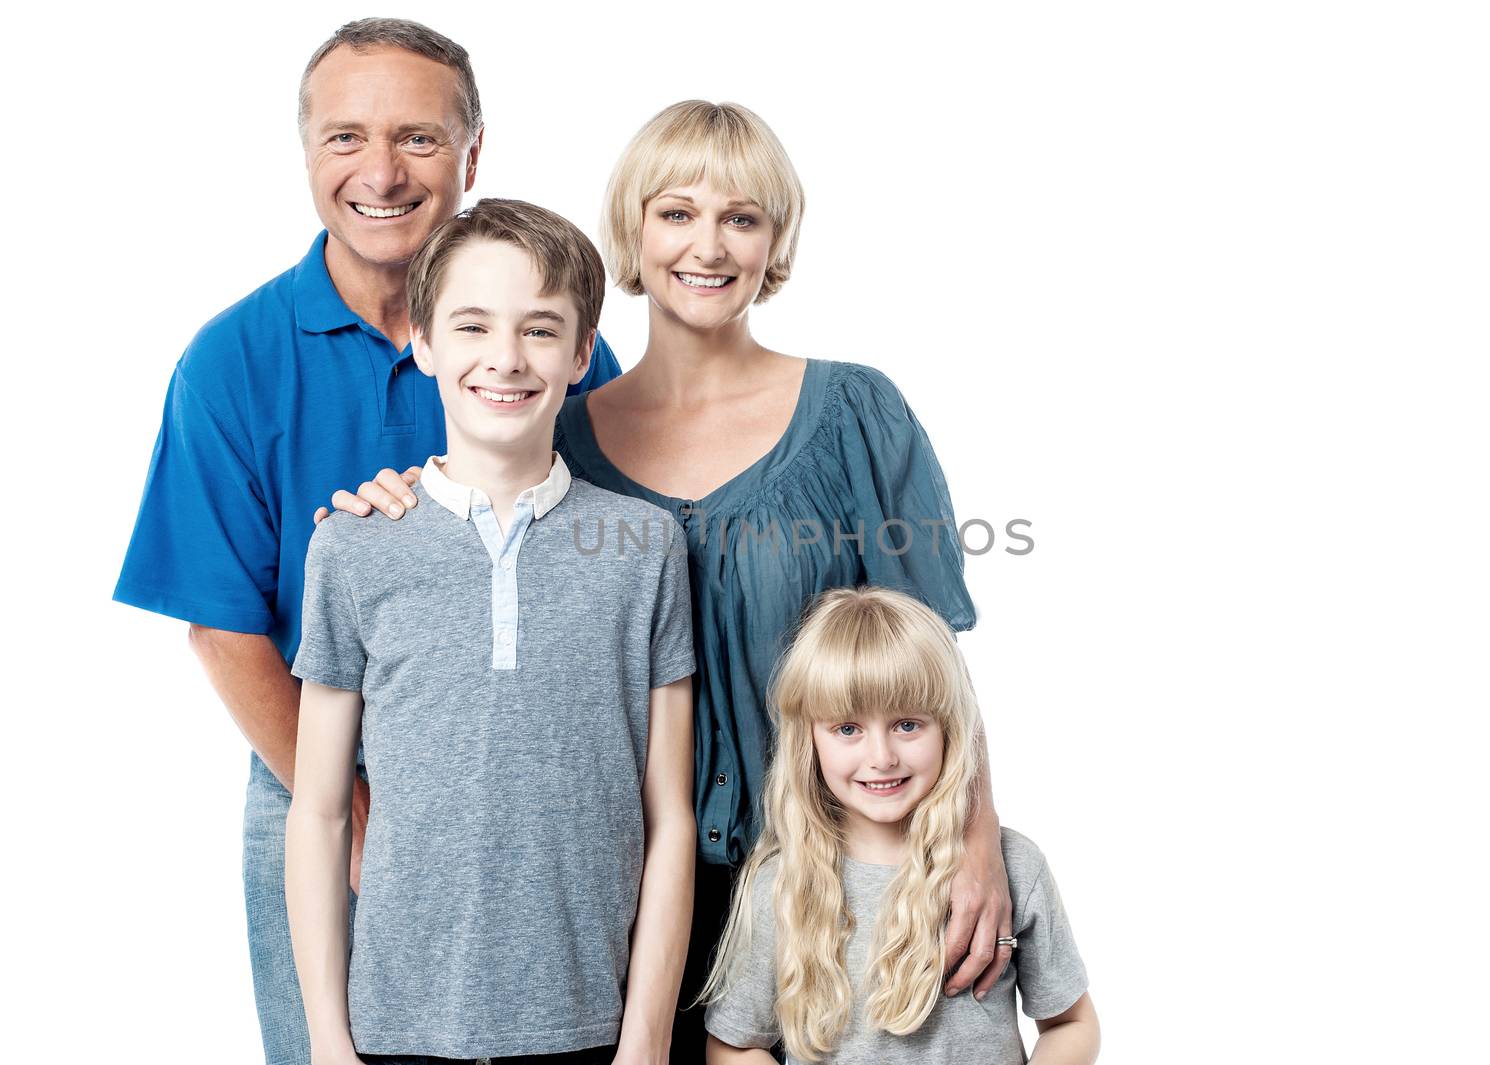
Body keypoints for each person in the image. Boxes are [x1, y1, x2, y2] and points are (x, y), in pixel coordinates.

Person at [330, 100, 1014, 1064]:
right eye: (676, 212)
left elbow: (933, 661)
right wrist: (390, 497)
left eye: (742, 216)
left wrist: (978, 841)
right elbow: (466, 511)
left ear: (775, 240)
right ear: (634, 232)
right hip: (616, 899)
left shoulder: (858, 413)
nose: (709, 244)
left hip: (824, 876)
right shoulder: (552, 424)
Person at [110, 19, 621, 1065]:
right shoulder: (233, 360)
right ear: (306, 153)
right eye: (345, 138)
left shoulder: (552, 343)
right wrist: (348, 809)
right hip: (315, 766)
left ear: (474, 153)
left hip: (526, 770)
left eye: (419, 140)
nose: (380, 172)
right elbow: (222, 628)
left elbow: (609, 548)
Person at [286, 198, 695, 1064]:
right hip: (394, 1030)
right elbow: (320, 812)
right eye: (472, 326)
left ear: (583, 354)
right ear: (424, 343)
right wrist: (328, 1041)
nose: (505, 358)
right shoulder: (353, 548)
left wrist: (647, 1039)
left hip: (589, 1031)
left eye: (542, 330)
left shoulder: (643, 548)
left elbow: (669, 818)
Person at [701, 587, 1099, 1065]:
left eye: (908, 724)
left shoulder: (1014, 865)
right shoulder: (780, 884)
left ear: (950, 727)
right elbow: (735, 1045)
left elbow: (1072, 1024)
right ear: (809, 740)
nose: (882, 758)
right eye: (848, 729)